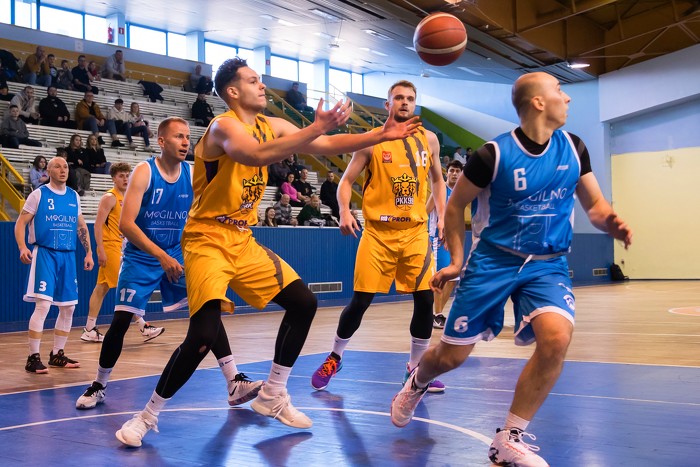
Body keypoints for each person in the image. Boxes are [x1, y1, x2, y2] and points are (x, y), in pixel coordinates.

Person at [114, 57, 418, 447]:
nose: (262, 86)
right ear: (232, 91)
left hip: (242, 238)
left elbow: (324, 144)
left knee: (303, 302)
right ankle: (146, 416)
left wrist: (379, 134)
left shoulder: (270, 124)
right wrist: (314, 127)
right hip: (207, 238)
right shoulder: (223, 126)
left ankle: (273, 393)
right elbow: (256, 156)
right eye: (253, 80)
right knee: (203, 336)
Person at [390, 72, 634, 467]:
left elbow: (595, 206)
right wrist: (457, 261)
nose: (567, 98)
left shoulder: (574, 148)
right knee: (451, 357)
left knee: (556, 340)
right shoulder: (493, 155)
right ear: (538, 102)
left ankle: (509, 436)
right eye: (559, 91)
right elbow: (455, 206)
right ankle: (417, 380)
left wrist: (611, 222)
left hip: (547, 264)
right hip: (493, 261)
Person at [78, 119, 255, 413]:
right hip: (142, 256)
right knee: (121, 321)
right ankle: (99, 384)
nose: (185, 142)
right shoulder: (144, 172)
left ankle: (233, 380)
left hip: (179, 252)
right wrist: (161, 256)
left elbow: (207, 212)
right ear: (161, 141)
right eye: (178, 137)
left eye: (188, 137)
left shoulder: (193, 173)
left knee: (208, 310)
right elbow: (126, 224)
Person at [310, 80, 447, 395]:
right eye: (398, 98)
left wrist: (442, 215)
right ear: (388, 105)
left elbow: (439, 181)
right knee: (360, 301)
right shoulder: (372, 141)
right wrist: (344, 210)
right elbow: (346, 182)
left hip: (414, 232)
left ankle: (415, 369)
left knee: (425, 299)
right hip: (378, 233)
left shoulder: (429, 140)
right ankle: (335, 356)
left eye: (409, 98)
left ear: (415, 104)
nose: (404, 102)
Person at [14, 156, 94, 373]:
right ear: (48, 171)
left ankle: (57, 354)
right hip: (45, 253)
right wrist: (22, 247)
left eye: (65, 166)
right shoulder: (39, 194)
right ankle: (33, 357)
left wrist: (89, 252)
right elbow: (20, 223)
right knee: (43, 305)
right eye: (57, 166)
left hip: (68, 256)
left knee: (69, 307)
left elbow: (81, 226)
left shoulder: (73, 196)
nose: (63, 170)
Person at [80, 162, 131, 342]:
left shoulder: (127, 197)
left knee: (101, 287)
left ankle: (89, 328)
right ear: (113, 178)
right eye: (121, 176)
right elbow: (98, 225)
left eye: (127, 175)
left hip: (120, 246)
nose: (125, 179)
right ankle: (143, 325)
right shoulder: (110, 197)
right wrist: (100, 249)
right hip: (109, 246)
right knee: (126, 284)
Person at [428, 160, 463, 329]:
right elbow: (426, 211)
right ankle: (437, 314)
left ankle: (437, 314)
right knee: (441, 277)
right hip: (439, 239)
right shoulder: (440, 189)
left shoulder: (461, 192)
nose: (454, 174)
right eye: (452, 170)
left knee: (453, 278)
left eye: (457, 171)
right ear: (446, 172)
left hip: (453, 240)